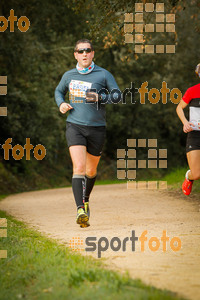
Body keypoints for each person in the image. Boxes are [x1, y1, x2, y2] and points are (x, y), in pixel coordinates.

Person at [55, 39, 120, 227]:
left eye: (88, 50)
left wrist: (100, 97)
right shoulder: (69, 75)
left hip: (97, 128)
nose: (84, 54)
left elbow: (117, 95)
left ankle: (86, 199)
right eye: (80, 51)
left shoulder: (103, 74)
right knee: (79, 168)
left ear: (93, 53)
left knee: (91, 171)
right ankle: (80, 210)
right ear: (75, 54)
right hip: (74, 126)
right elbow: (58, 91)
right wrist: (61, 103)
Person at [176, 63, 200, 195]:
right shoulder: (193, 90)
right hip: (195, 135)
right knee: (196, 174)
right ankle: (188, 177)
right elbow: (179, 108)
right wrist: (185, 122)